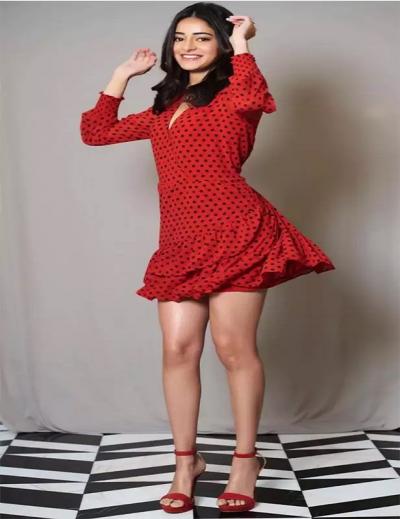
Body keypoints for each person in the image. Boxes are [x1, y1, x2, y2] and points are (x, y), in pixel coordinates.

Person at [80, 2, 335, 513]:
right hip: (179, 242)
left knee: (233, 348)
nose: (188, 46)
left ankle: (245, 461)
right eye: (180, 37)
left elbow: (254, 95)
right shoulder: (162, 110)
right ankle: (185, 463)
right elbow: (96, 133)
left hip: (237, 233)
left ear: (220, 44)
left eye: (201, 37)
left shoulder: (236, 94)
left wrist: (243, 45)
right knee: (178, 349)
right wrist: (121, 75)